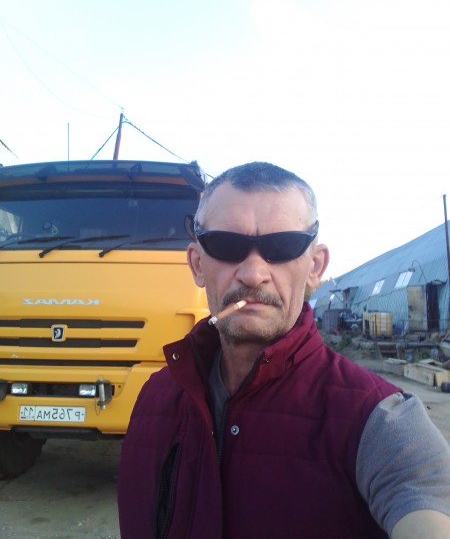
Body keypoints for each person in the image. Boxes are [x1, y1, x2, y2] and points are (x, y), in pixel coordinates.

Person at [117, 162, 450, 539]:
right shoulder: (154, 397)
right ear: (197, 264)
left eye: (282, 247)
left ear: (315, 267)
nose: (253, 274)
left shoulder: (379, 421)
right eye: (226, 246)